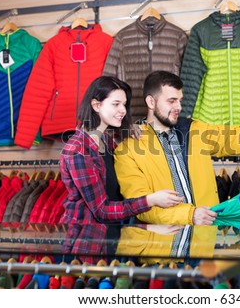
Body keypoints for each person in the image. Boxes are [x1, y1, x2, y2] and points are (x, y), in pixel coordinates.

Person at [114, 71, 240, 225]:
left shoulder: (194, 130)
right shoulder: (129, 147)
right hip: (162, 253)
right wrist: (190, 215)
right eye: (172, 101)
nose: (179, 107)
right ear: (151, 102)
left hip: (203, 244)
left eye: (180, 100)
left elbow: (239, 138)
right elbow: (139, 204)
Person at [59, 75, 183, 227]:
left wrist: (129, 129)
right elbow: (102, 211)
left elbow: (116, 196)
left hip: (110, 236)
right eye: (116, 104)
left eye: (124, 104)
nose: (123, 110)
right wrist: (151, 200)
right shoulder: (78, 151)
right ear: (96, 105)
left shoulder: (105, 140)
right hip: (85, 240)